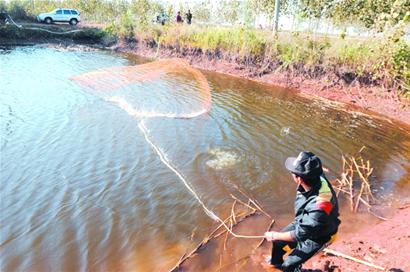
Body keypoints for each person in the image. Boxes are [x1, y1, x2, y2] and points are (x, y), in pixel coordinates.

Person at [264, 151, 340, 272]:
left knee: (289, 265)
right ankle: (275, 264)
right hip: (305, 223)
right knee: (278, 243)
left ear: (299, 179)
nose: (291, 174)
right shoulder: (316, 176)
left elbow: (300, 234)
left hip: (320, 236)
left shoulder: (320, 206)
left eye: (293, 173)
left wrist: (273, 235)